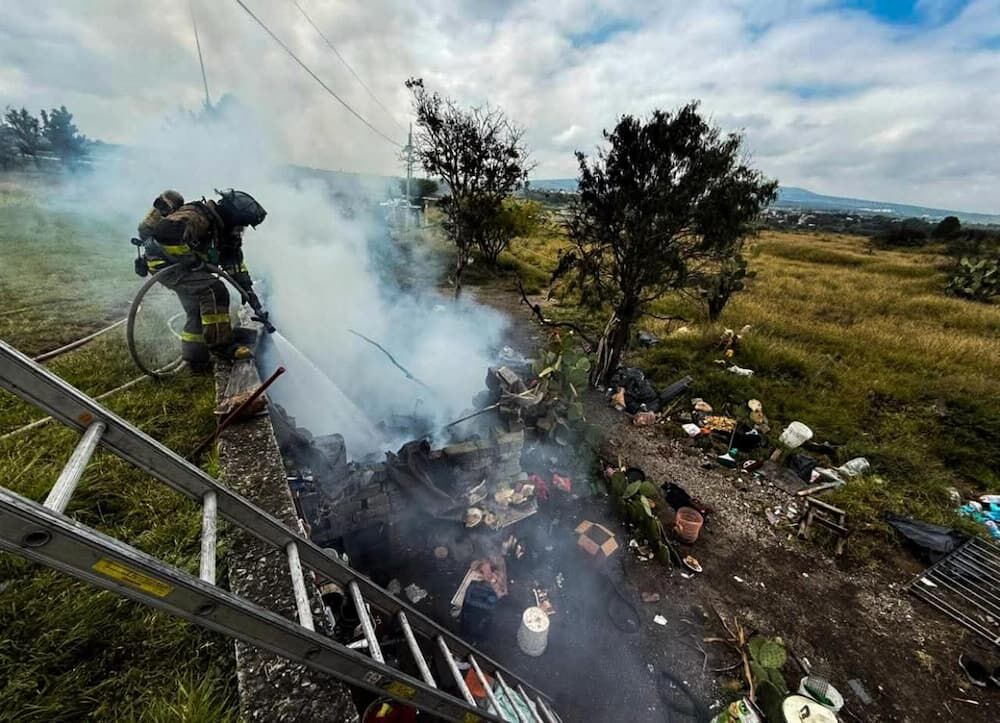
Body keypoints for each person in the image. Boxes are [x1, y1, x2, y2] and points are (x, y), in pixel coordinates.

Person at [142, 189, 267, 371]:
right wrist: (190, 260)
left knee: (196, 309)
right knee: (214, 290)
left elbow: (234, 262)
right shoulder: (197, 216)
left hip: (184, 267)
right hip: (165, 265)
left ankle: (196, 360)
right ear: (232, 217)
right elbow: (165, 233)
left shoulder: (224, 230)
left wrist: (247, 290)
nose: (242, 229)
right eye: (242, 224)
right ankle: (223, 347)